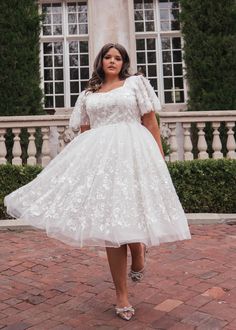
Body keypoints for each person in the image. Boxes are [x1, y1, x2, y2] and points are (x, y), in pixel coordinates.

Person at [4, 43, 191, 321]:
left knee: (133, 217)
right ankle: (121, 296)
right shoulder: (88, 94)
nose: (112, 61)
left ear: (123, 62)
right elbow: (85, 133)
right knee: (111, 226)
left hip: (133, 155)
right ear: (100, 61)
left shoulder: (135, 84)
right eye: (107, 57)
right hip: (103, 164)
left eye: (118, 57)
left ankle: (139, 254)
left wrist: (159, 158)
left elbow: (150, 122)